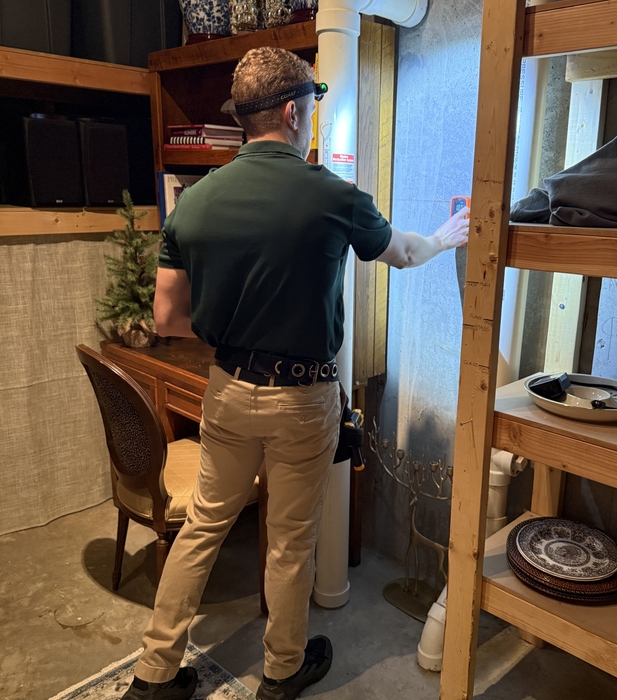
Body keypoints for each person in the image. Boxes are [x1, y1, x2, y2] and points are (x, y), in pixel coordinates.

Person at [120, 46, 469, 700]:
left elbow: (167, 316)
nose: (312, 119)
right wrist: (445, 237)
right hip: (303, 399)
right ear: (290, 112)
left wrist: (235, 329)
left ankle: (153, 675)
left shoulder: (193, 201)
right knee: (288, 542)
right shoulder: (332, 195)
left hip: (228, 388)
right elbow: (401, 252)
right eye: (311, 106)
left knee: (202, 528)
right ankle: (280, 673)